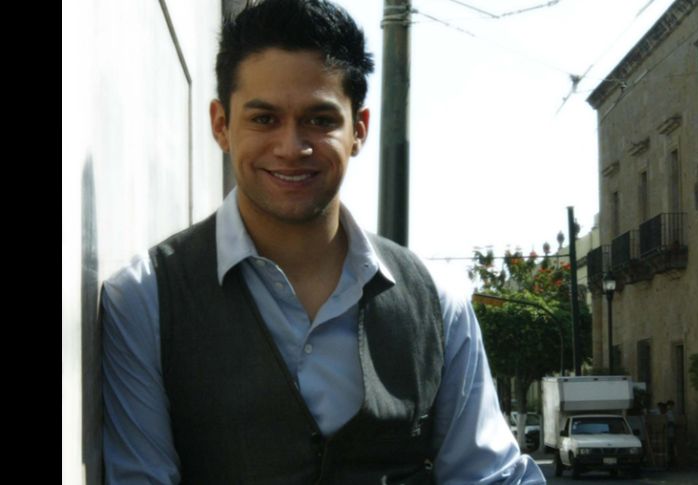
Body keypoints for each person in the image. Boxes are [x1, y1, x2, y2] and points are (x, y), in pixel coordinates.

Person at [100, 1, 545, 483]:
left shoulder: (438, 304)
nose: (292, 147)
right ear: (221, 125)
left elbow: (489, 476)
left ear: (359, 129)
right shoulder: (145, 299)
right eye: (264, 119)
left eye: (319, 119)